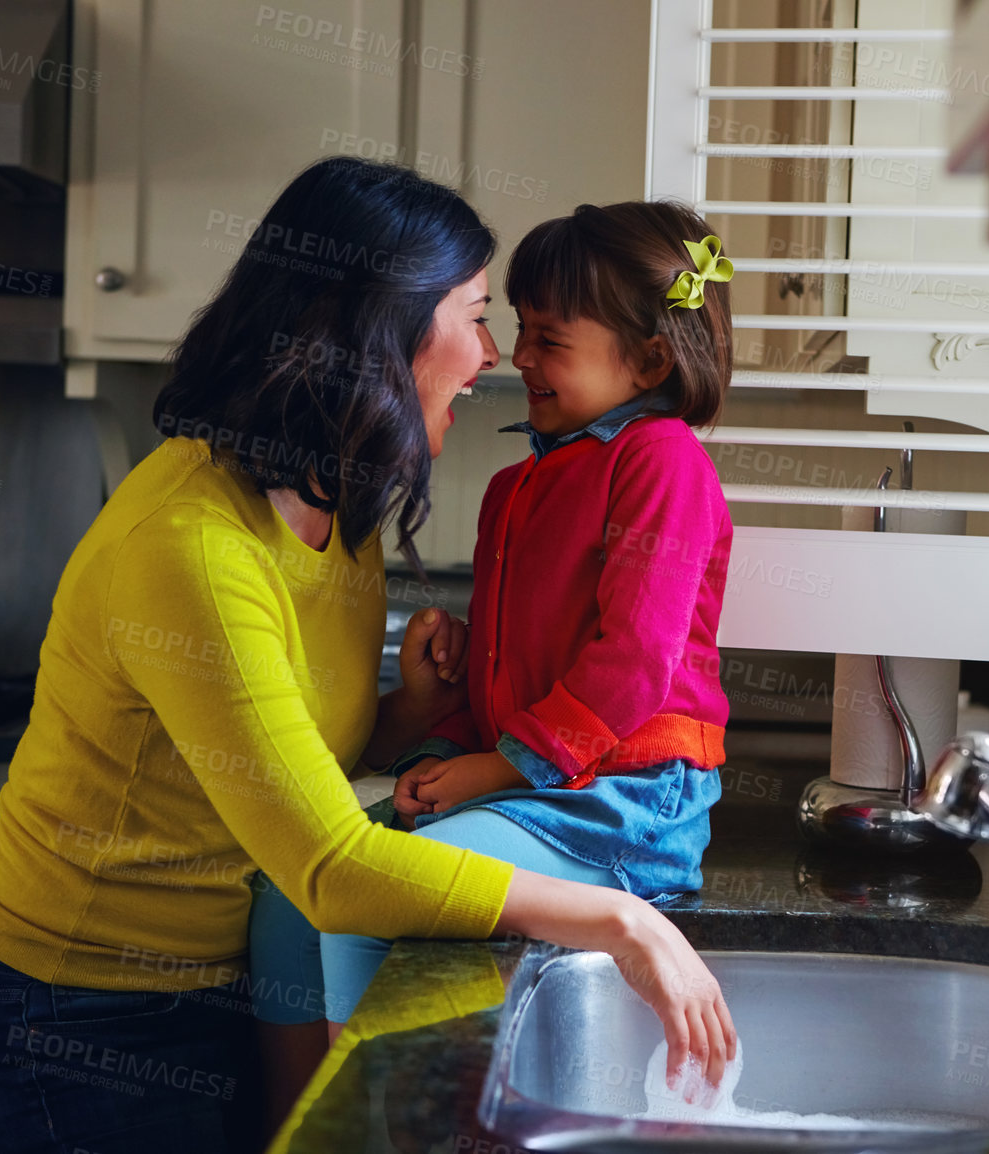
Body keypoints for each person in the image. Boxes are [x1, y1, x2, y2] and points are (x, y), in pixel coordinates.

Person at [0, 158, 735, 1154]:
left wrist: (415, 709)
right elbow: (331, 868)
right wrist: (621, 921)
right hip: (73, 1022)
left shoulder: (333, 502)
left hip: (210, 991)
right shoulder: (191, 544)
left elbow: (287, 753)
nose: (491, 354)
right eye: (478, 315)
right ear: (379, 332)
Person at [249, 199, 739, 1067]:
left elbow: (633, 663)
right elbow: (527, 675)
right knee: (291, 896)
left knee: (380, 894)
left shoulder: (663, 459)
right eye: (520, 329)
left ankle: (364, 1128)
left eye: (552, 340)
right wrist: (458, 694)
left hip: (624, 805)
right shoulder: (514, 489)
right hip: (538, 789)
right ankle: (303, 1127)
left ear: (650, 357)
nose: (519, 357)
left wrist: (496, 767)